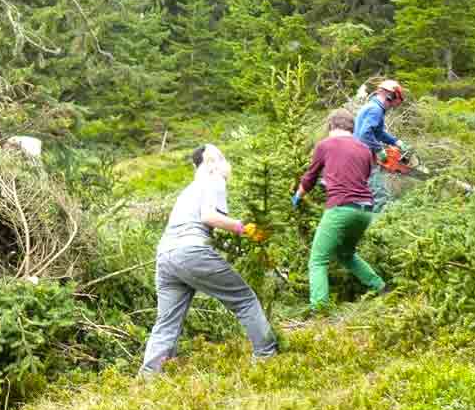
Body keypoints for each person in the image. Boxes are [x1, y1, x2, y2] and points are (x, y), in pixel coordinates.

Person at [139, 144, 278, 375]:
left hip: (165, 257)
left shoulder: (188, 190)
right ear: (209, 164)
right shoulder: (214, 179)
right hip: (191, 251)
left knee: (167, 322)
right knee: (244, 299)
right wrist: (246, 228)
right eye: (218, 158)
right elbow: (209, 216)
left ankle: (149, 377)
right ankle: (266, 357)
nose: (221, 163)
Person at [293, 109, 389, 310]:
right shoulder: (364, 149)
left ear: (331, 126)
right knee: (345, 254)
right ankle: (381, 287)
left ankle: (319, 310)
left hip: (341, 208)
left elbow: (310, 177)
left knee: (317, 261)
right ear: (351, 128)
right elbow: (360, 176)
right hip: (365, 211)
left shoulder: (325, 145)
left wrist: (298, 196)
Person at [353, 79, 410, 211]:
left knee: (365, 193)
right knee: (379, 195)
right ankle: (378, 224)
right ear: (391, 96)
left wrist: (396, 142)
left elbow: (377, 132)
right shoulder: (375, 110)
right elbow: (365, 134)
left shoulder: (374, 107)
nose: (393, 107)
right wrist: (379, 150)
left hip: (360, 155)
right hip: (362, 157)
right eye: (395, 103)